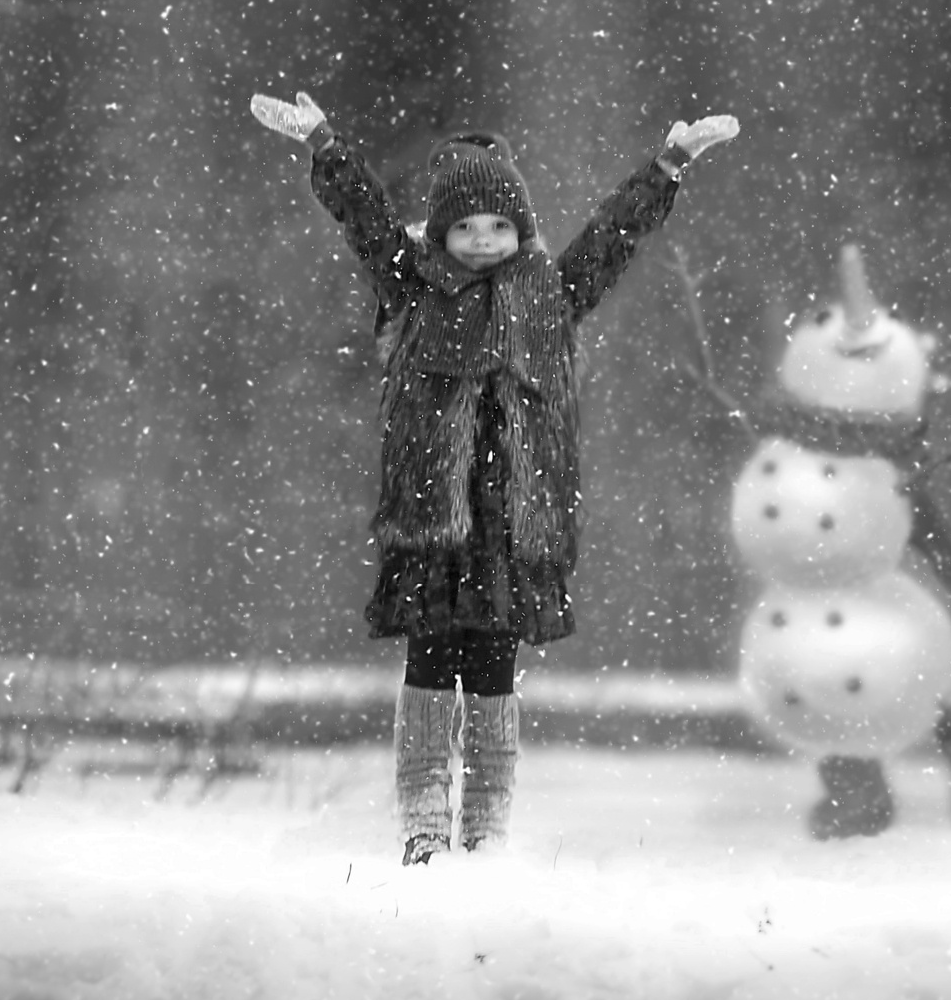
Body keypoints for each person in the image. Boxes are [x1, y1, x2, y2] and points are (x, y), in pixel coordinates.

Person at [249, 90, 739, 862]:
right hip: (431, 522)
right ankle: (420, 820)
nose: (483, 240)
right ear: (442, 230)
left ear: (520, 230)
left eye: (498, 225)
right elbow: (366, 221)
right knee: (428, 671)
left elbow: (613, 238)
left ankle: (485, 828)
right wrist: (323, 143)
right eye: (467, 226)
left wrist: (668, 164)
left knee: (492, 678)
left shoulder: (548, 292)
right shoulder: (412, 283)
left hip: (511, 525)